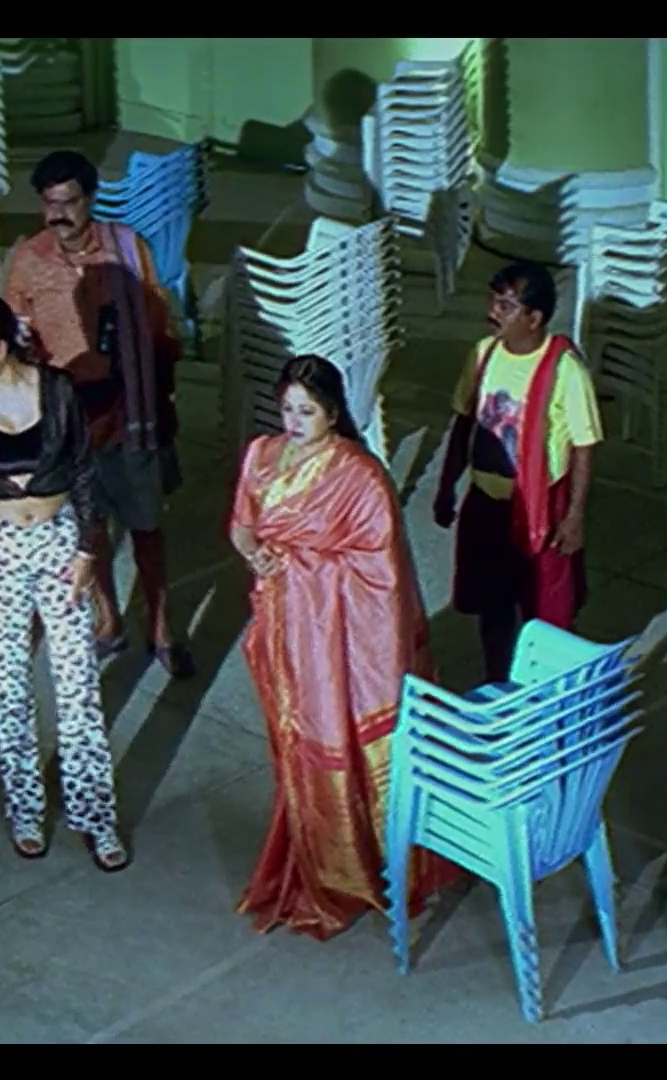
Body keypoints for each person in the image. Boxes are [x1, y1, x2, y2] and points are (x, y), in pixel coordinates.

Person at [228, 355, 464, 940]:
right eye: (287, 409)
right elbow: (242, 523)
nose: (294, 421)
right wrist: (255, 553)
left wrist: (301, 564)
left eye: (307, 411)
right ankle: (306, 848)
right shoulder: (262, 454)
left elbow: (381, 574)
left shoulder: (358, 475)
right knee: (293, 741)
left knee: (331, 737)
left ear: (333, 413)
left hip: (334, 638)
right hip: (282, 626)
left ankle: (349, 865)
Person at [0, 294, 128, 872]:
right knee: (10, 685)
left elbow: (84, 472)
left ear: (1, 347)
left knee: (77, 685)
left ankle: (95, 815)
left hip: (57, 540)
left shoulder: (57, 389)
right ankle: (26, 811)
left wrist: (88, 550)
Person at [0, 148, 194, 679]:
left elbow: (159, 325)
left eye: (68, 203)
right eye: (49, 204)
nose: (58, 215)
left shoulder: (128, 249)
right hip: (69, 422)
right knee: (90, 529)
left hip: (131, 414)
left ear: (91, 199)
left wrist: (160, 398)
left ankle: (162, 627)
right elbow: (13, 337)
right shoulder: (28, 260)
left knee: (147, 526)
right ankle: (108, 619)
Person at [431, 261, 602, 686]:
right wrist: (447, 484)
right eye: (494, 301)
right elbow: (464, 421)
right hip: (486, 501)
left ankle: (541, 691)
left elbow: (584, 445)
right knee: (493, 604)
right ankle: (496, 681)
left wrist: (575, 516)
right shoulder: (483, 354)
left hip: (540, 509)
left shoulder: (566, 370)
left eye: (506, 306)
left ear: (534, 317)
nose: (493, 312)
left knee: (544, 610)